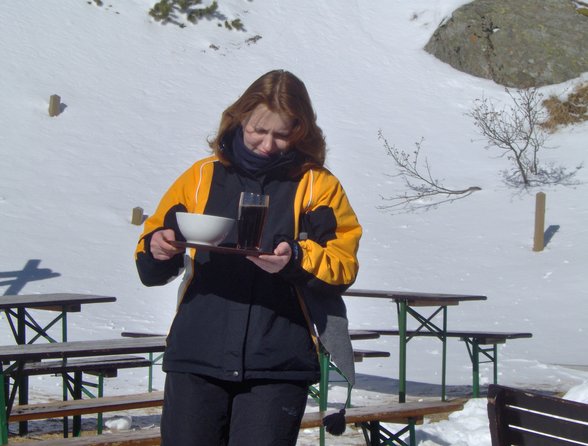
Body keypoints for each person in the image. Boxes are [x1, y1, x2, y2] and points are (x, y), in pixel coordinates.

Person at [135, 69, 362, 446]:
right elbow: (150, 263)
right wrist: (157, 247)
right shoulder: (201, 177)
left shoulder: (317, 185)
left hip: (277, 361)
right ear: (239, 118)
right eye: (259, 130)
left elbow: (344, 264)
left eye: (281, 135)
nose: (268, 144)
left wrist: (296, 260)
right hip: (198, 354)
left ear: (301, 132)